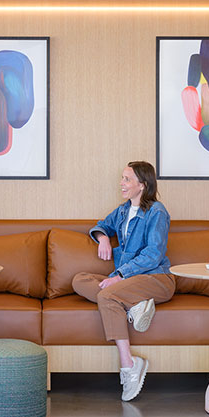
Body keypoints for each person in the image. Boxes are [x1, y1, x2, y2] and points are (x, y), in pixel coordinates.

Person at [72, 161, 175, 401]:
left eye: (127, 179)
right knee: (79, 280)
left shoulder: (157, 211)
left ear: (142, 184)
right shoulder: (122, 211)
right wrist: (104, 239)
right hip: (130, 283)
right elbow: (102, 226)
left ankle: (129, 366)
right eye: (122, 178)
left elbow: (153, 254)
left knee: (107, 295)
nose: (122, 183)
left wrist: (120, 276)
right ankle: (134, 305)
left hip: (157, 279)